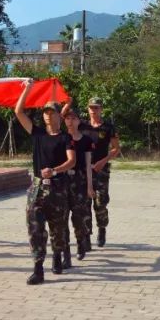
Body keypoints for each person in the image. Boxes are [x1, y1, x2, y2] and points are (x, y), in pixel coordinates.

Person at [15, 79, 76, 285]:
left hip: (58, 188)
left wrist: (55, 171)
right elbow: (18, 112)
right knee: (35, 227)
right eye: (46, 112)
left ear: (60, 115)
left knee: (58, 228)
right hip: (37, 188)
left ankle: (58, 254)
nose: (49, 115)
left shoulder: (65, 138)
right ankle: (38, 267)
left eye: (52, 112)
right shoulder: (38, 134)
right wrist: (28, 89)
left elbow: (72, 161)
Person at [80, 97, 120, 247]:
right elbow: (65, 120)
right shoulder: (82, 126)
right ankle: (86, 236)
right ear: (87, 108)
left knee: (100, 202)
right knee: (84, 203)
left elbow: (116, 149)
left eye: (96, 107)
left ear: (101, 109)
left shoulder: (108, 127)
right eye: (91, 107)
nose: (93, 110)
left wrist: (103, 161)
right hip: (84, 169)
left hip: (101, 170)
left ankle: (102, 228)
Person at [62, 105, 96, 262]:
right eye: (67, 118)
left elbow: (89, 165)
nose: (70, 121)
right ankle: (65, 252)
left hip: (80, 180)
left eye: (73, 118)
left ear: (78, 121)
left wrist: (89, 186)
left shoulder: (86, 140)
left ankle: (81, 243)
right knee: (62, 218)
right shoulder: (61, 138)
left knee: (78, 216)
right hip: (62, 181)